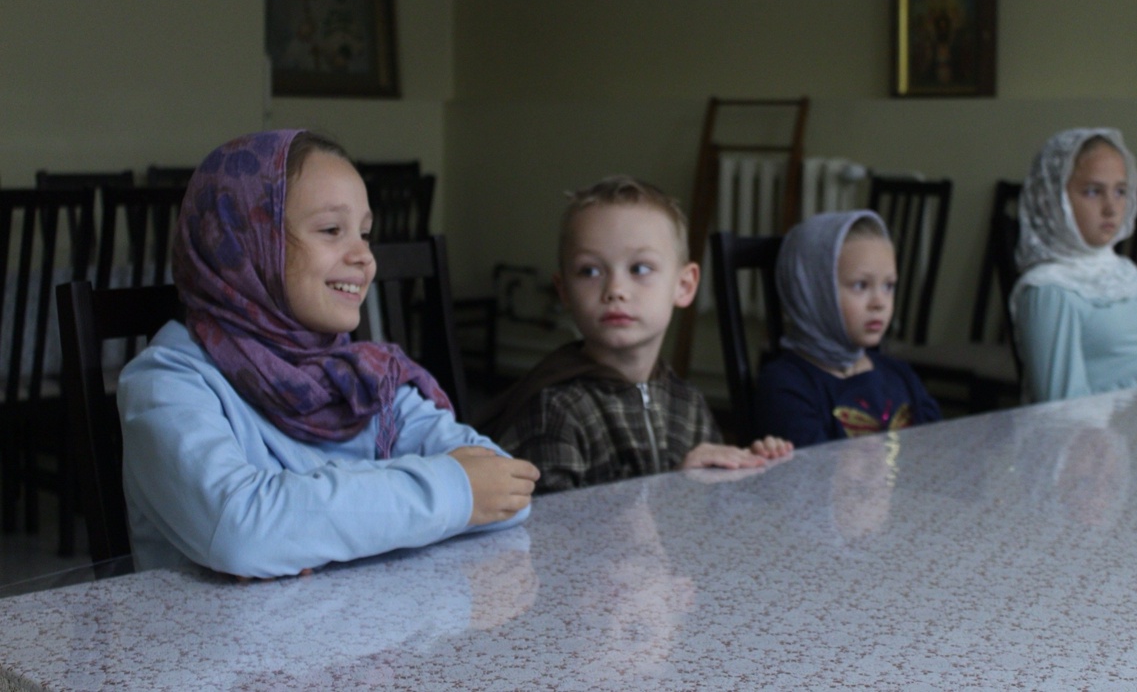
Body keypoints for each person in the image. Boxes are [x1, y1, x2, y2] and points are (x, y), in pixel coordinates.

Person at [117, 129, 538, 579]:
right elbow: (243, 532)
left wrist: (303, 528)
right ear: (244, 242)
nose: (364, 257)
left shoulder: (360, 377)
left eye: (365, 233)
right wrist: (442, 494)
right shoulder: (165, 385)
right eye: (331, 230)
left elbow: (505, 489)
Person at [486, 176, 792, 493]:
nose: (615, 289)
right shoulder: (555, 410)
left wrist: (749, 465)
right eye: (590, 271)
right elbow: (552, 521)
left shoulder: (687, 403)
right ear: (564, 290)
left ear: (684, 285)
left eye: (640, 269)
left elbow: (709, 504)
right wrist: (674, 486)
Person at [1011, 127, 1137, 403]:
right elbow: (1062, 404)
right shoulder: (1050, 289)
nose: (1111, 208)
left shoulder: (1126, 274)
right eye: (1093, 192)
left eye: (1120, 192)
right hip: (1113, 424)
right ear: (1055, 200)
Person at [754, 210, 942, 447]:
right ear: (816, 293)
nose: (879, 303)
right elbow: (812, 467)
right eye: (861, 285)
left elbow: (937, 448)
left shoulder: (901, 376)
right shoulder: (786, 385)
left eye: (888, 286)